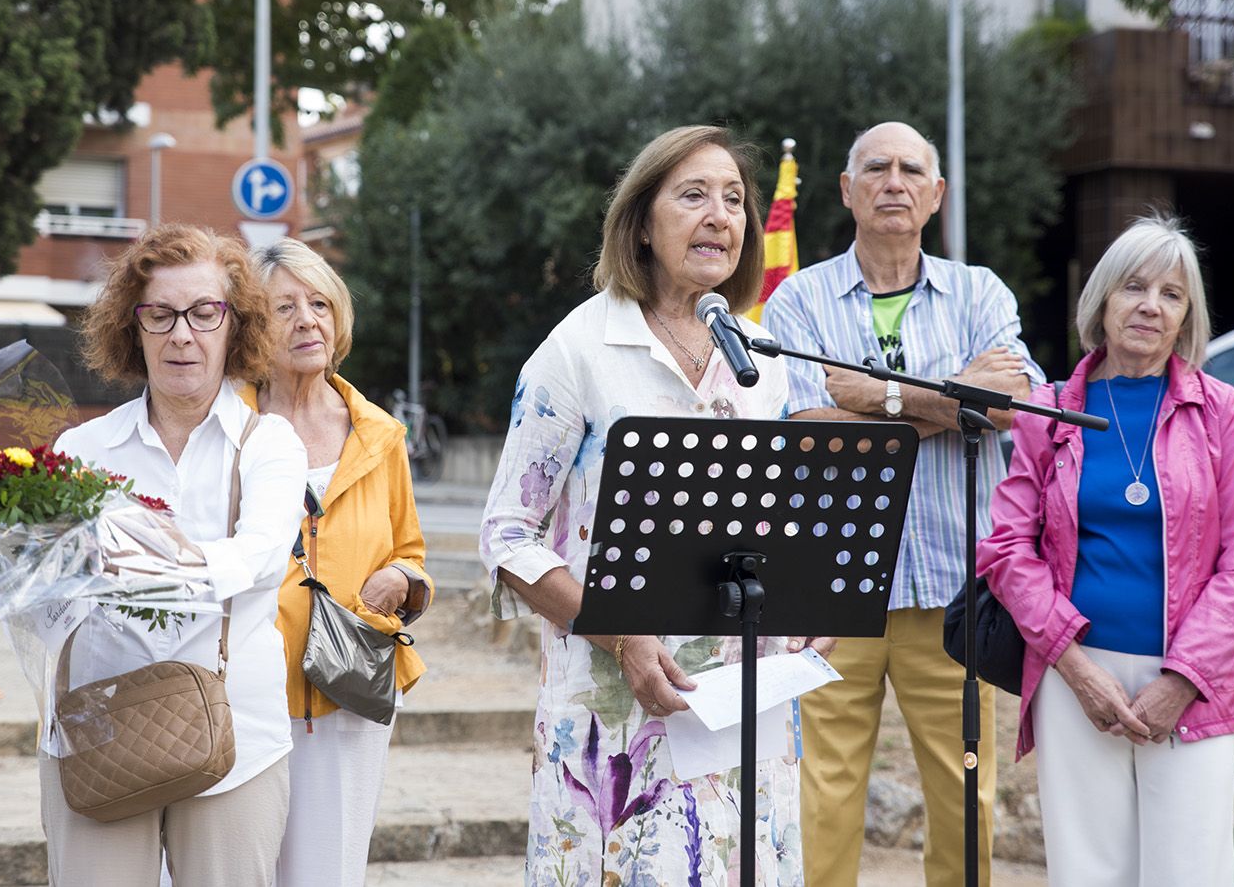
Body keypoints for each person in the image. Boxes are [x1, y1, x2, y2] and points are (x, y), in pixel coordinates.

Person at [480, 125, 821, 886]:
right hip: (616, 724)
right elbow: (507, 537)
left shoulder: (761, 365)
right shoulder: (576, 351)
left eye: (733, 199)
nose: (720, 215)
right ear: (640, 223)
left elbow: (777, 531)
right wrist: (625, 636)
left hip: (743, 717)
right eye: (694, 194)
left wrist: (808, 602)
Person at [761, 121, 1041, 887]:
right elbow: (807, 433)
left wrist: (876, 395)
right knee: (821, 794)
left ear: (936, 194)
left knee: (964, 795)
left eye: (911, 169)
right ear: (846, 192)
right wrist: (954, 399)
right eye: (875, 168)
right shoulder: (795, 301)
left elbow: (1016, 403)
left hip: (956, 591)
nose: (894, 181)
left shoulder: (980, 291)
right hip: (829, 594)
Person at [979, 213, 1234, 885]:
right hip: (1075, 676)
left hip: (1193, 684)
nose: (1150, 305)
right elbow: (1006, 551)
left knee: (1189, 871)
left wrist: (1180, 681)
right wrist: (1074, 667)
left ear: (1186, 315)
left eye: (1171, 294)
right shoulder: (1047, 410)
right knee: (1088, 871)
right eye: (1134, 286)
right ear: (1102, 299)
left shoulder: (1220, 410)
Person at [44, 225, 305, 887]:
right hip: (99, 730)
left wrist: (150, 560)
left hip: (235, 740)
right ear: (135, 328)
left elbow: (261, 554)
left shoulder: (269, 444)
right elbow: (43, 586)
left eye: (203, 313)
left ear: (234, 326)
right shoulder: (83, 450)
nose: (181, 334)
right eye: (159, 314)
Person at [246, 238, 434, 887]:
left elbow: (411, 553)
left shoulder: (380, 435)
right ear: (250, 327)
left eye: (320, 303)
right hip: (245, 688)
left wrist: (405, 581)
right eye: (284, 308)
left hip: (347, 685)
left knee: (329, 867)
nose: (307, 320)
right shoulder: (226, 429)